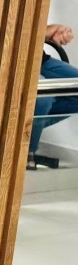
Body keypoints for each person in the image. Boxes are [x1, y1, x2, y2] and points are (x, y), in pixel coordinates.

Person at [32, 22, 77, 164]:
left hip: (39, 59)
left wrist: (48, 31)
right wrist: (42, 33)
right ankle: (28, 152)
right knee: (43, 97)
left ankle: (24, 130)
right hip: (11, 61)